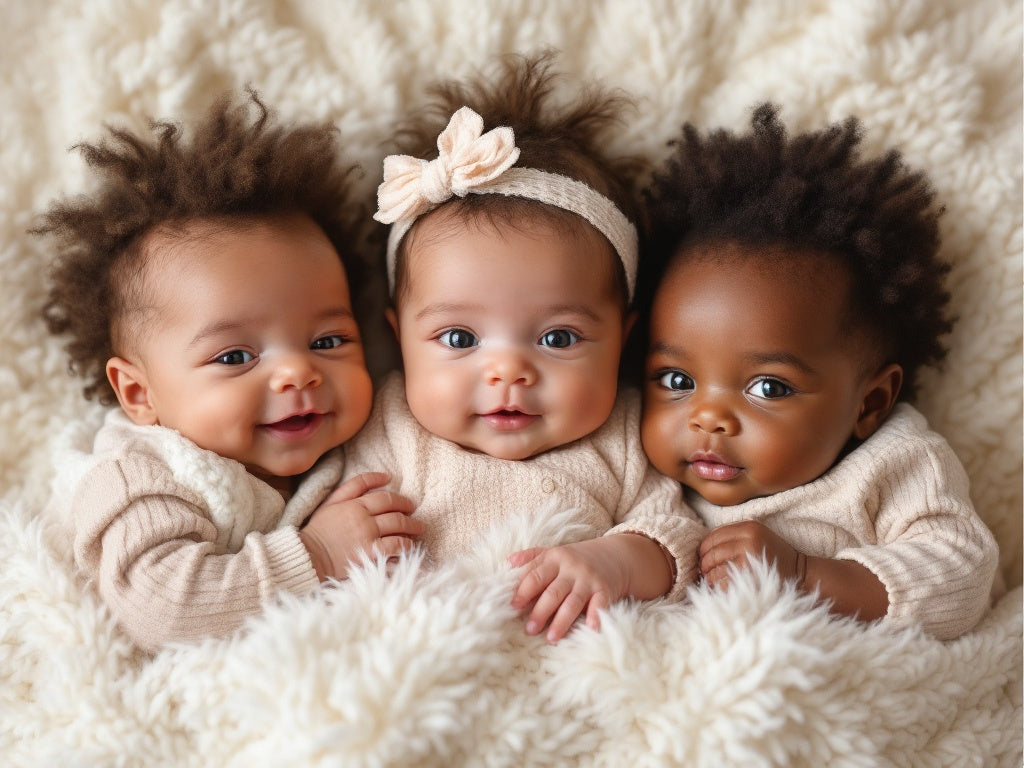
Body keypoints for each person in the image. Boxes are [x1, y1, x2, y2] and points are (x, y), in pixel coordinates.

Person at [337, 54, 706, 643]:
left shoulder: (626, 431)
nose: (508, 371)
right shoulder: (385, 424)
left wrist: (617, 561)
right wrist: (331, 536)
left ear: (623, 342)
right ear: (399, 340)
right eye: (459, 339)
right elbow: (317, 515)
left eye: (558, 338)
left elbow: (678, 535)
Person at [37, 91, 422, 652]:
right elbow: (163, 610)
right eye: (236, 357)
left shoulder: (359, 438)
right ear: (140, 394)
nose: (298, 372)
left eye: (328, 340)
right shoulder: (144, 477)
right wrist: (317, 554)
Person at [636, 104, 999, 640]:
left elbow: (963, 577)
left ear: (869, 404)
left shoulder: (893, 465)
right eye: (676, 381)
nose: (707, 417)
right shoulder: (644, 469)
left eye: (768, 387)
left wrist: (808, 577)